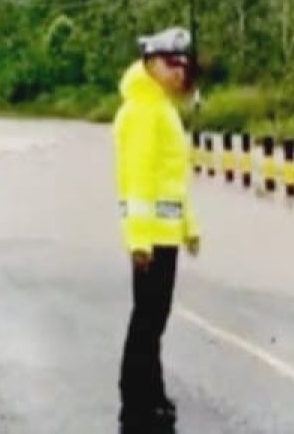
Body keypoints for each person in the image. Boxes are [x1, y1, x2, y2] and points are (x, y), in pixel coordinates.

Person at [112, 27, 200, 434]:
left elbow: (173, 180)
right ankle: (136, 401)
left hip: (165, 235)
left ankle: (152, 395)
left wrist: (188, 227)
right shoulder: (144, 111)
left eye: (183, 64)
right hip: (151, 240)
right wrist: (139, 241)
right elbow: (138, 182)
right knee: (147, 321)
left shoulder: (160, 106)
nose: (178, 71)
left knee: (153, 321)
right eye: (170, 63)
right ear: (149, 63)